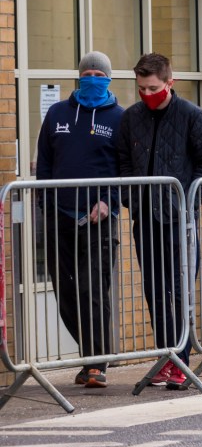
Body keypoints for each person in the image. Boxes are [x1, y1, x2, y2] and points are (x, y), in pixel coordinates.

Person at [117, 53, 202, 389]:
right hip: (145, 218)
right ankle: (166, 356)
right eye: (142, 88)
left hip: (178, 219)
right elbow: (123, 163)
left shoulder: (192, 116)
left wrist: (187, 205)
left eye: (153, 87)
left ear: (169, 83)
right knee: (154, 291)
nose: (147, 94)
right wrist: (132, 200)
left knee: (179, 290)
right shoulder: (131, 118)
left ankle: (181, 361)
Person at [35, 52, 123, 388]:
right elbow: (44, 160)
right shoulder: (58, 112)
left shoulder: (118, 117)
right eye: (86, 72)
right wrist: (46, 200)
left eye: (98, 73)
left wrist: (108, 201)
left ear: (108, 78)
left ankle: (97, 363)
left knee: (92, 288)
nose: (91, 78)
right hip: (60, 215)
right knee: (66, 293)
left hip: (99, 218)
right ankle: (88, 355)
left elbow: (123, 169)